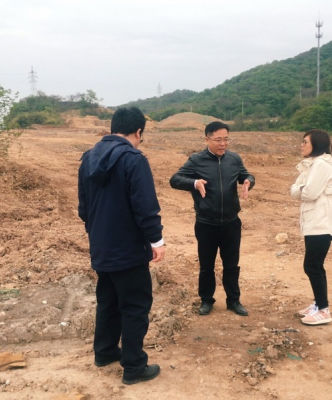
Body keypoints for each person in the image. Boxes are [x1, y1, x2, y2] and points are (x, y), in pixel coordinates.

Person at [78, 107, 165, 385]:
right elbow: (145, 206)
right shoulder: (133, 159)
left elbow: (84, 209)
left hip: (101, 247)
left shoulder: (88, 158)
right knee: (135, 305)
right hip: (128, 250)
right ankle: (134, 366)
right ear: (138, 131)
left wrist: (98, 235)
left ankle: (104, 352)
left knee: (108, 301)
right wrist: (156, 240)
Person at [169, 121, 255, 317]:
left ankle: (233, 300)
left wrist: (249, 180)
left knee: (231, 265)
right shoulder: (196, 160)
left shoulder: (233, 158)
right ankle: (206, 300)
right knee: (206, 265)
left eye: (226, 139)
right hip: (206, 223)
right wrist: (194, 182)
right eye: (218, 140)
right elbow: (175, 179)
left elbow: (245, 175)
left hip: (231, 222)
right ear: (207, 139)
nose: (223, 144)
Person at [290, 130, 332, 325]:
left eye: (305, 142)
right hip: (314, 222)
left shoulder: (321, 164)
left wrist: (301, 189)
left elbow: (308, 193)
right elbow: (295, 189)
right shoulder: (313, 163)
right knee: (315, 265)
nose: (301, 145)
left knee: (312, 265)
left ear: (316, 144)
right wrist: (301, 189)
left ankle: (323, 310)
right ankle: (319, 304)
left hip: (321, 222)